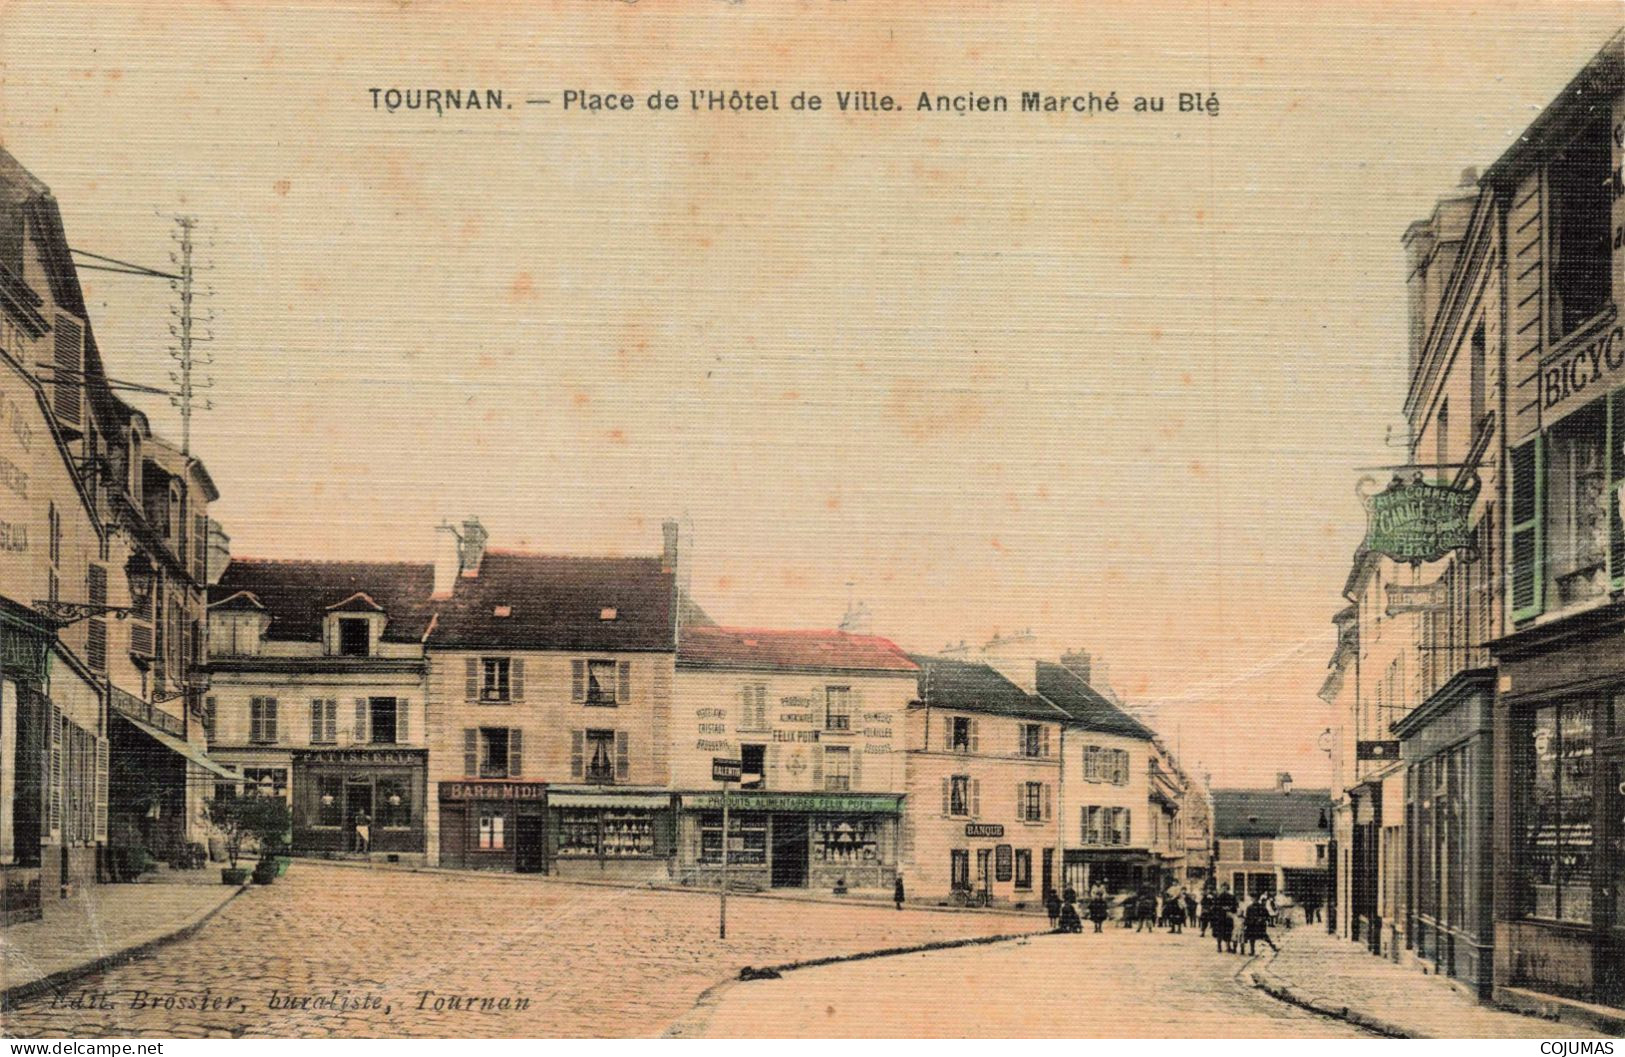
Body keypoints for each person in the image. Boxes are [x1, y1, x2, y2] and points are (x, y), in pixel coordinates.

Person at [1213, 883, 1240, 953]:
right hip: (1220, 917)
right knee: (1220, 932)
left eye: (1226, 888)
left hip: (1229, 917)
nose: (1224, 889)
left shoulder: (1232, 897)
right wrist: (1222, 908)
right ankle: (1219, 946)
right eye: (1223, 888)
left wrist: (1230, 908)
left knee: (1228, 932)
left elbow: (1235, 907)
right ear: (1221, 888)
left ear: (1228, 889)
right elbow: (1214, 907)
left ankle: (1228, 946)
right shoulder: (1218, 897)